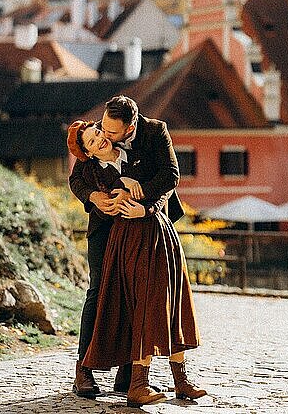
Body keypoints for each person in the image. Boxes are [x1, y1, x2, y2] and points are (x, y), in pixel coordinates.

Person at [67, 119, 207, 407]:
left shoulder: (128, 138)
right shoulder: (90, 161)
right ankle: (84, 368)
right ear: (88, 151)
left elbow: (167, 175)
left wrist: (144, 200)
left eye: (99, 132)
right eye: (93, 139)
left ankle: (129, 373)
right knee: (99, 291)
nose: (100, 137)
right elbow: (75, 179)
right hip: (106, 231)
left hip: (146, 223)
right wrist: (94, 197)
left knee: (141, 295)